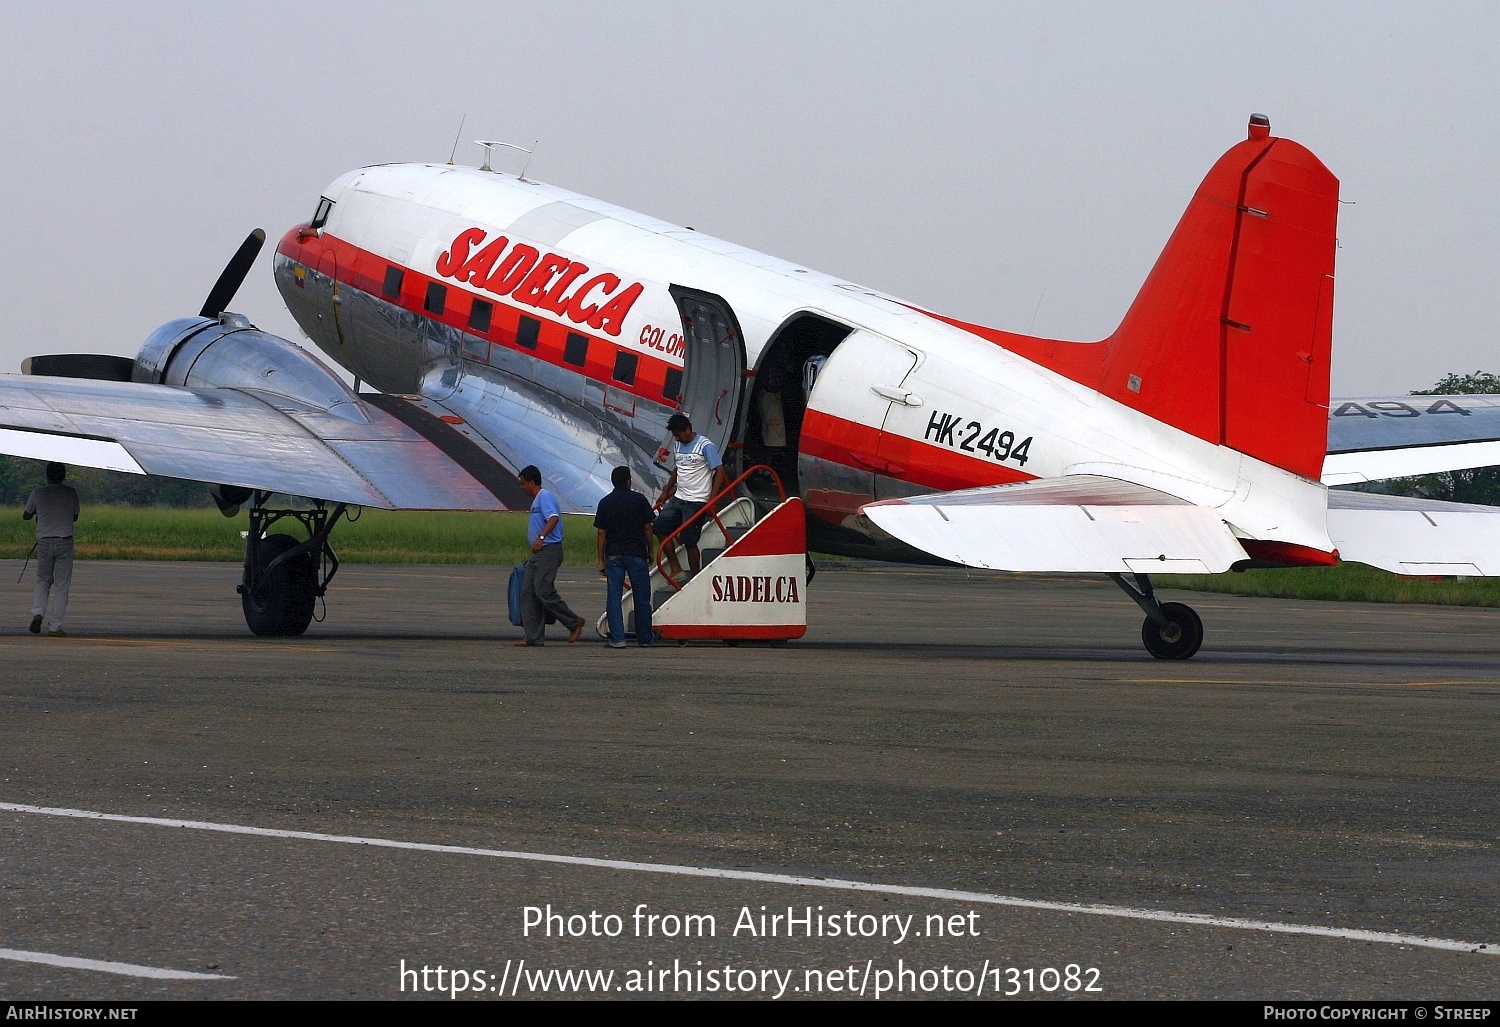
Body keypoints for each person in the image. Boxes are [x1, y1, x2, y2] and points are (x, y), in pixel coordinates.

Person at [514, 465, 586, 646]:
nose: (521, 487)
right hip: (538, 552)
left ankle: (573, 622)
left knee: (543, 590)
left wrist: (541, 537)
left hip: (549, 550)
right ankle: (533, 637)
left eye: (523, 483)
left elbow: (553, 517)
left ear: (531, 482)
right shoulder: (536, 500)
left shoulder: (544, 497)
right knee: (527, 593)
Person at [654, 414, 730, 579]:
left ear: (688, 430)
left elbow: (719, 470)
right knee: (659, 527)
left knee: (689, 540)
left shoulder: (705, 446)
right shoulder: (678, 445)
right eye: (675, 436)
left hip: (697, 501)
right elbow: (677, 469)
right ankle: (676, 568)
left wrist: (712, 499)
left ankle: (695, 577)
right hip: (679, 498)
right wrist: (666, 491)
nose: (678, 438)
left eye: (679, 435)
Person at [594, 466, 657, 648]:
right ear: (629, 480)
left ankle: (618, 639)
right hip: (636, 553)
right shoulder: (639, 500)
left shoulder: (605, 502)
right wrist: (650, 550)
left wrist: (600, 559)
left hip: (613, 554)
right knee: (642, 597)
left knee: (614, 597)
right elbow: (647, 527)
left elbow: (601, 533)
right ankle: (644, 638)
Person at [24, 462, 79, 637]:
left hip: (44, 542)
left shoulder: (38, 493)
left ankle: (38, 612)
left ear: (47, 476)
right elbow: (75, 516)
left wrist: (38, 513)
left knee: (43, 579)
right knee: (62, 585)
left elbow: (26, 515)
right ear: (63, 476)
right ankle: (55, 626)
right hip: (64, 541)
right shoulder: (71, 493)